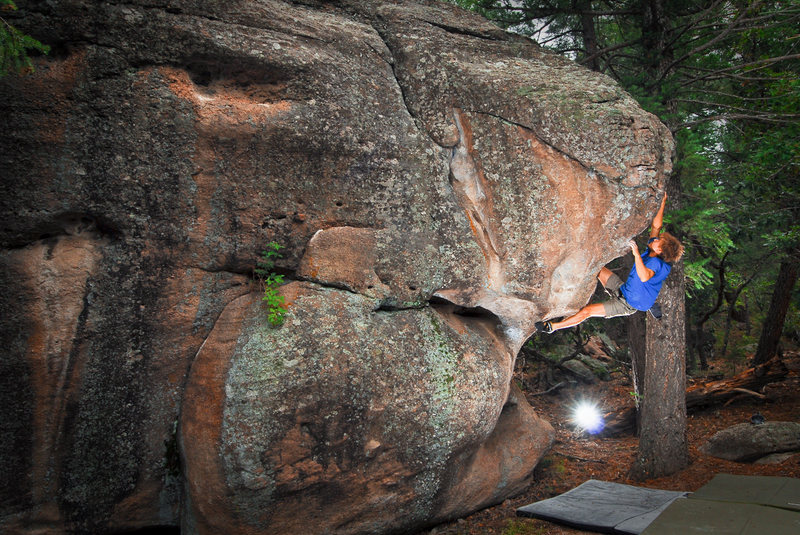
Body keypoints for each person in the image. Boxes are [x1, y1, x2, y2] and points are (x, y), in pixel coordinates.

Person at [535, 192, 683, 334]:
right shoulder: (653, 248)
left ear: (659, 251)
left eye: (658, 241)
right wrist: (662, 202)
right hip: (624, 289)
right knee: (595, 268)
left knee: (588, 311)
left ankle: (552, 327)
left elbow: (644, 276)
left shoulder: (656, 263)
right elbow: (656, 227)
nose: (655, 239)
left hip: (628, 304)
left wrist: (636, 253)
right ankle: (650, 303)